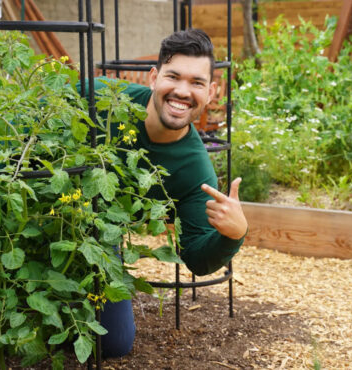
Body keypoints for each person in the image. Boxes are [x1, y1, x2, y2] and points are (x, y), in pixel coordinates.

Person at [88, 28, 248, 358]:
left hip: (99, 238)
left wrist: (233, 234)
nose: (182, 91)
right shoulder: (103, 97)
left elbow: (197, 258)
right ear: (153, 77)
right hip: (47, 212)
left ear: (211, 92)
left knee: (115, 342)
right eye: (173, 76)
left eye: (196, 82)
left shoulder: (194, 169)